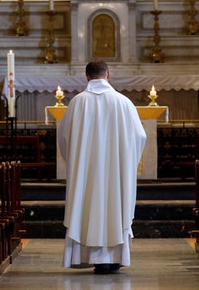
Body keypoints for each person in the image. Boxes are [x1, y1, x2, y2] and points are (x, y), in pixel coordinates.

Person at [58, 61, 147, 274]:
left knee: (86, 205)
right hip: (116, 173)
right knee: (114, 208)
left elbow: (63, 138)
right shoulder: (124, 102)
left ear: (87, 77)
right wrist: (127, 162)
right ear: (108, 75)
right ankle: (115, 257)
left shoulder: (77, 103)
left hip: (86, 172)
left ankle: (86, 256)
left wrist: (76, 162)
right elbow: (140, 136)